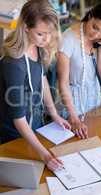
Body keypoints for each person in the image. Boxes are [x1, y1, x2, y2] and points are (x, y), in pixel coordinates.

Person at [0, 0, 71, 171]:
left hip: (35, 126)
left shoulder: (37, 46)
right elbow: (19, 119)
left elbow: (42, 79)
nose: (46, 39)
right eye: (41, 34)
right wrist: (44, 154)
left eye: (49, 33)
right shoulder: (14, 64)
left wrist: (54, 114)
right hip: (15, 135)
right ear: (25, 28)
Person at [57, 1, 101, 139]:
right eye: (95, 27)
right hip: (72, 105)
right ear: (90, 15)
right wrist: (74, 118)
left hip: (93, 101)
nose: (96, 34)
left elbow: (100, 77)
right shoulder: (68, 39)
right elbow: (63, 83)